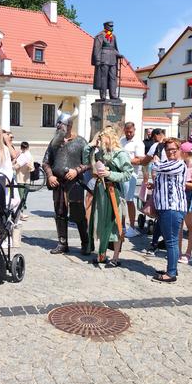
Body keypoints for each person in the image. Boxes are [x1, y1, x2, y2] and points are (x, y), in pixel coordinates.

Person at [42, 103, 90, 255]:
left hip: (74, 183)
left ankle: (85, 243)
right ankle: (62, 243)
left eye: (60, 125)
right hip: (58, 183)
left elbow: (89, 162)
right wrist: (50, 175)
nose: (58, 128)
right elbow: (46, 162)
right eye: (58, 125)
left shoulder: (81, 142)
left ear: (69, 125)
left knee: (78, 214)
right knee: (60, 213)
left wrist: (76, 171)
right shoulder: (54, 142)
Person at [84, 126, 133, 266]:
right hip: (101, 192)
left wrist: (110, 174)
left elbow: (127, 174)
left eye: (101, 138)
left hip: (114, 191)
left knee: (115, 223)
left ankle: (116, 257)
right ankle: (102, 254)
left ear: (109, 138)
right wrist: (91, 145)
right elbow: (86, 157)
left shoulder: (121, 154)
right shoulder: (100, 153)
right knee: (100, 223)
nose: (100, 141)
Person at [149, 138, 187, 282]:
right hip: (165, 207)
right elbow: (158, 173)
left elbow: (158, 167)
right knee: (171, 240)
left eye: (173, 149)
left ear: (179, 150)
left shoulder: (178, 164)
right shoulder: (166, 163)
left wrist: (155, 161)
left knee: (171, 241)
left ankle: (171, 273)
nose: (171, 152)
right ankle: (172, 268)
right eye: (168, 149)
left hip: (172, 207)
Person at [120, 122, 145, 238]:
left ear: (134, 130)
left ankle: (132, 227)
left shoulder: (138, 143)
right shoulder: (121, 140)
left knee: (129, 201)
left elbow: (139, 160)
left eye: (131, 132)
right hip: (120, 174)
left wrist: (124, 160)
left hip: (131, 175)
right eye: (127, 131)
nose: (129, 134)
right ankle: (122, 225)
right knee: (121, 201)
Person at [91, 21, 123, 101]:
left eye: (112, 26)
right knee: (103, 78)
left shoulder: (113, 36)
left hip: (113, 60)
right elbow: (96, 48)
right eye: (110, 26)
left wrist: (119, 55)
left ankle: (113, 95)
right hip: (103, 59)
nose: (112, 28)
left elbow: (114, 49)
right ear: (105, 26)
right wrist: (97, 60)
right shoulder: (100, 36)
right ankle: (103, 95)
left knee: (113, 77)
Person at [178, 141, 192, 263]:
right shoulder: (183, 163)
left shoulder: (191, 165)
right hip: (181, 197)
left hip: (188, 197)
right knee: (179, 227)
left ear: (185, 153)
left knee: (189, 225)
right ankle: (179, 251)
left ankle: (188, 252)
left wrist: (180, 183)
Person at [14, 141, 34, 222]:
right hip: (21, 180)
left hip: (25, 179)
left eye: (25, 148)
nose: (25, 150)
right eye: (24, 148)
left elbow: (32, 168)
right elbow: (17, 166)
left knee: (23, 198)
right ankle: (20, 213)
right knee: (21, 197)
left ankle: (20, 212)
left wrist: (29, 166)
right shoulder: (21, 156)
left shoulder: (29, 156)